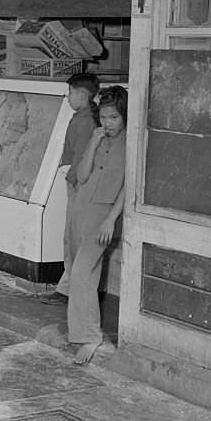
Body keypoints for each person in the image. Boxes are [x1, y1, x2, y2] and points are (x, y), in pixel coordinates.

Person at [67, 85, 127, 365]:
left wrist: (111, 220)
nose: (108, 123)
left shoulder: (132, 142)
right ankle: (84, 332)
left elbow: (129, 188)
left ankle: (91, 335)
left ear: (124, 116)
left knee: (81, 272)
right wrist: (93, 141)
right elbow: (80, 174)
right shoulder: (99, 137)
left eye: (114, 117)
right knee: (79, 270)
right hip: (82, 205)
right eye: (104, 117)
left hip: (103, 212)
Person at [40, 72, 99, 306]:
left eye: (70, 93)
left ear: (82, 94)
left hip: (80, 184)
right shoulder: (82, 118)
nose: (68, 98)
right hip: (78, 182)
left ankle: (69, 290)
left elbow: (82, 157)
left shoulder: (84, 121)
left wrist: (73, 179)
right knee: (71, 237)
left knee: (73, 238)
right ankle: (67, 287)